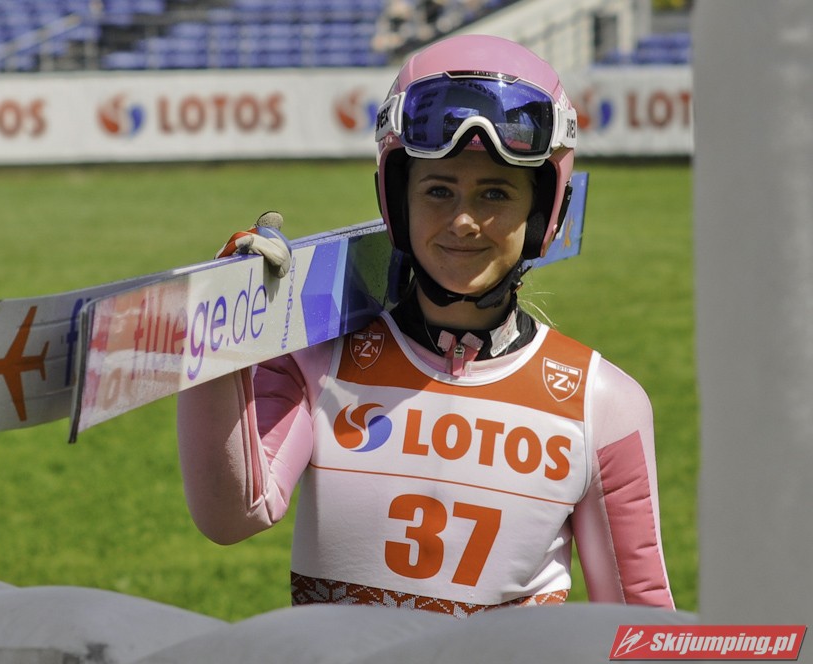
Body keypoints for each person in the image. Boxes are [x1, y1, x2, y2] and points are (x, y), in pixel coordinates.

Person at [176, 34, 675, 616]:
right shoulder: (318, 360)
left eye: (495, 193)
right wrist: (225, 332)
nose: (464, 221)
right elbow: (230, 516)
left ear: (543, 213)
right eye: (438, 190)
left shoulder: (603, 405)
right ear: (398, 201)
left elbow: (641, 621)